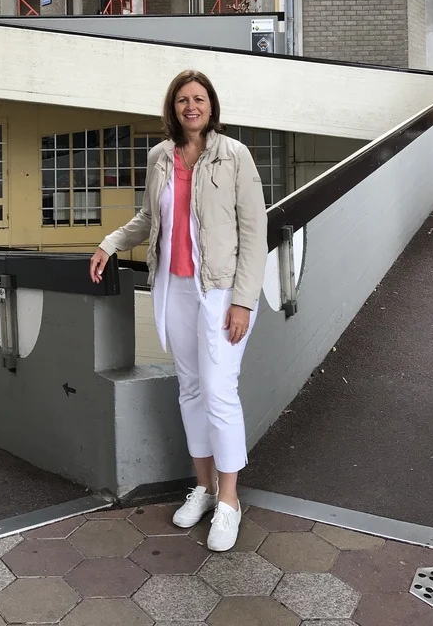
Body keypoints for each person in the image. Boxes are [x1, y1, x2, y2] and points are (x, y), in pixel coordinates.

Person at [90, 70, 267, 552]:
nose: (191, 106)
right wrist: (109, 243)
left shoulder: (234, 155)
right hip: (176, 289)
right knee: (190, 389)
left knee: (219, 390)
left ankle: (229, 500)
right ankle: (204, 488)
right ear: (173, 107)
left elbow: (255, 233)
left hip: (221, 291)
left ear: (211, 106)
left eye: (199, 98)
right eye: (183, 99)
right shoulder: (160, 157)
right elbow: (150, 218)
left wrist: (243, 300)